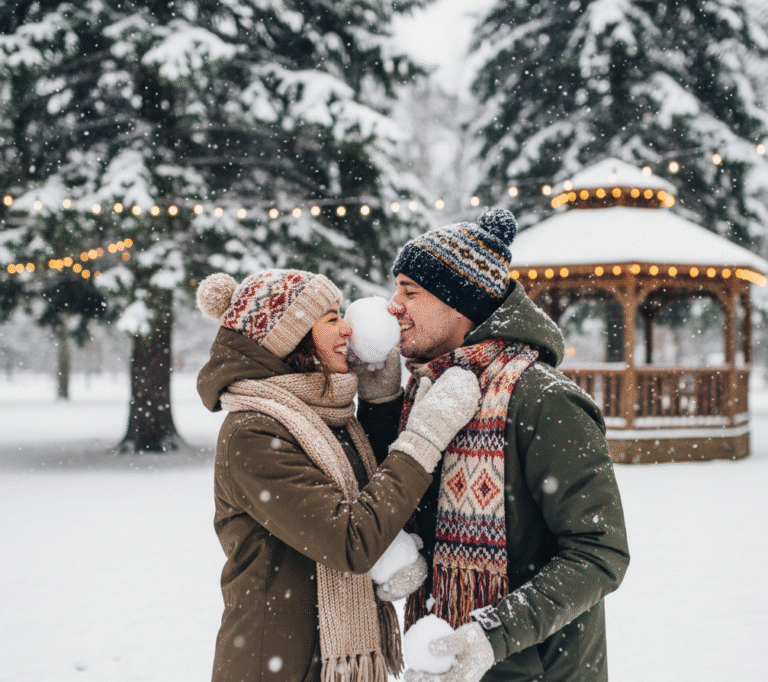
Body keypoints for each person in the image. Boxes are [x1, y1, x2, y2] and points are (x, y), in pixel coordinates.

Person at [354, 209, 630, 682]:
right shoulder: (428, 390)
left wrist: (492, 634)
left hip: (539, 670)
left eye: (410, 290)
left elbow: (599, 552)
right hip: (439, 656)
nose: (392, 305)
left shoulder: (543, 399)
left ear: (459, 303)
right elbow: (397, 500)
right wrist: (380, 405)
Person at [195, 268, 481, 682]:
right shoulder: (254, 433)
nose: (348, 327)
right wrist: (424, 436)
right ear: (291, 337)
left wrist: (381, 404)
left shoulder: (322, 416)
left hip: (323, 659)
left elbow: (373, 494)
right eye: (331, 318)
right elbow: (352, 540)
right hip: (276, 665)